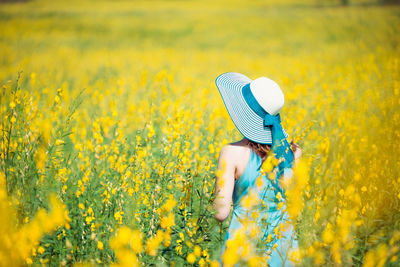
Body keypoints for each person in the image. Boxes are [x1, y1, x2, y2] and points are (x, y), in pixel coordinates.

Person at [213, 72, 302, 266]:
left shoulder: (231, 153)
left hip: (243, 251)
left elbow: (221, 212)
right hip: (284, 252)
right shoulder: (294, 154)